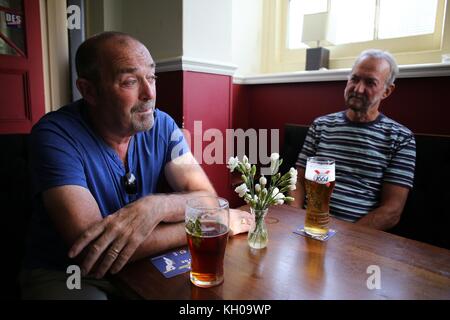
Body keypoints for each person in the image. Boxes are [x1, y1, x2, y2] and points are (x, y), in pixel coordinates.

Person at [21, 31, 253, 299]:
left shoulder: (163, 125)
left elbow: (206, 199)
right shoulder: (55, 135)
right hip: (70, 274)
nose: (150, 93)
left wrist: (155, 207)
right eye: (130, 81)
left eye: (152, 77)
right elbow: (94, 249)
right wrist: (211, 225)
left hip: (142, 266)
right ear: (89, 91)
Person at [290, 49, 416, 230]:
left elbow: (392, 210)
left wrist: (346, 237)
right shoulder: (321, 125)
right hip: (308, 226)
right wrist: (295, 219)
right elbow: (298, 180)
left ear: (387, 91)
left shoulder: (401, 138)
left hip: (359, 236)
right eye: (354, 79)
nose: (358, 89)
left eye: (370, 82)